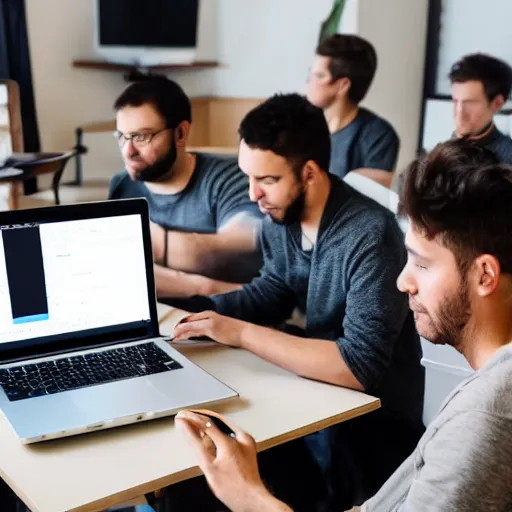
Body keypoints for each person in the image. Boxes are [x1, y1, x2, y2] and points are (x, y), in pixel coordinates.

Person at [176, 139, 512, 512]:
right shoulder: (485, 394)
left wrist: (248, 496)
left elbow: (359, 362)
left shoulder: (485, 415)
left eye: (421, 263)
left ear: (484, 275)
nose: (403, 282)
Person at [171, 93, 424, 510]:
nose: (253, 195)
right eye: (248, 178)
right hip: (316, 396)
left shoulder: (368, 234)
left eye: (267, 180)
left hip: (371, 424)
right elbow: (273, 290)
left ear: (308, 172)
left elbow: (359, 367)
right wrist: (196, 314)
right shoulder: (282, 216)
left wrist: (238, 332)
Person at [109, 75, 262, 300]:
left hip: (225, 321)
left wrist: (149, 246)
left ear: (180, 133)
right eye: (122, 137)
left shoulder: (229, 178)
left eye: (141, 137)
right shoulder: (122, 185)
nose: (128, 151)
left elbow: (238, 248)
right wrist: (196, 284)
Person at [306, 34, 399, 188]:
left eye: (320, 76)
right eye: (311, 73)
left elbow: (372, 201)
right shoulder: (301, 125)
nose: (309, 81)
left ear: (343, 85)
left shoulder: (378, 136)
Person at [450, 52, 512, 163]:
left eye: (470, 103)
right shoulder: (442, 152)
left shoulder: (507, 160)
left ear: (497, 104)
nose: (459, 113)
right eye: (455, 101)